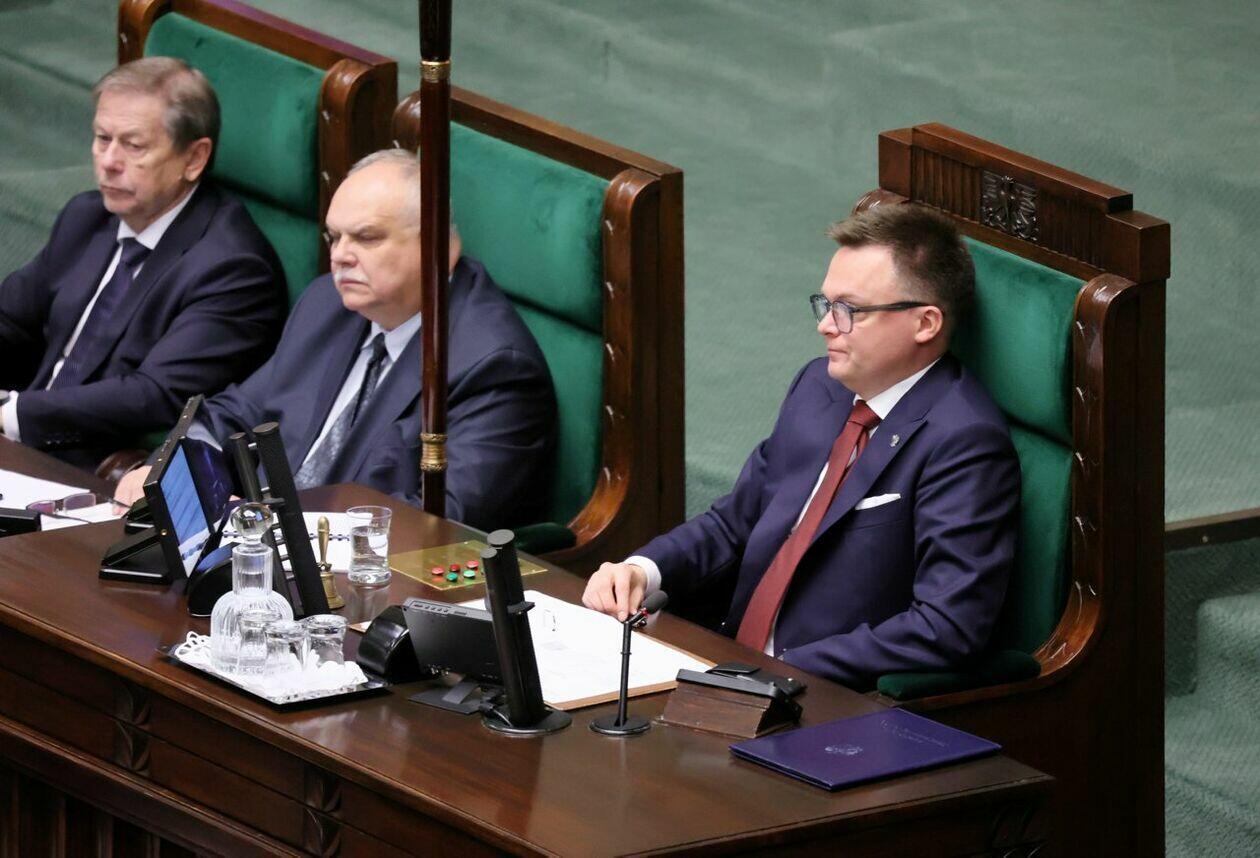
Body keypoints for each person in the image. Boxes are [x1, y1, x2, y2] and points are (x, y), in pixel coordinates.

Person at [583, 204, 1020, 689]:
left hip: (822, 697)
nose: (825, 325)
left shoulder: (964, 441)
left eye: (850, 310)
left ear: (926, 323)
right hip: (729, 668)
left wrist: (781, 673)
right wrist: (643, 570)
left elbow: (946, 626)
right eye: (825, 304)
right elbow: (735, 523)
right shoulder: (819, 387)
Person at [116, 149, 556, 530]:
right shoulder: (327, 303)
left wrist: (265, 522)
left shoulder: (493, 366)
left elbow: (438, 523)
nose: (340, 256)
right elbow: (235, 414)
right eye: (334, 236)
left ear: (439, 247)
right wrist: (172, 470)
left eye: (366, 238)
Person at [0, 57, 286, 469]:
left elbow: (154, 394)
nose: (109, 162)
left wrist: (12, 415)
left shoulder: (234, 270)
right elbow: (11, 320)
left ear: (194, 158)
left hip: (92, 470)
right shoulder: (88, 216)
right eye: (102, 139)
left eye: (133, 146)